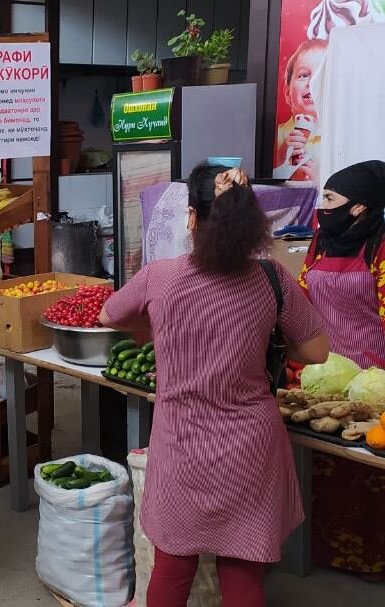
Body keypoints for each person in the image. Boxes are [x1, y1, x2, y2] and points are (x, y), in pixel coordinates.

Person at [100, 165, 330, 607]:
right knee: (242, 572)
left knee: (172, 567)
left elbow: (110, 314)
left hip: (181, 442)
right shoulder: (271, 278)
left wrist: (156, 323)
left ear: (191, 217)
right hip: (250, 443)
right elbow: (316, 351)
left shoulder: (161, 276)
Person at [299, 160, 385, 576]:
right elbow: (302, 293)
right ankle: (321, 552)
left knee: (367, 472)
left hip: (373, 376)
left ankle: (370, 560)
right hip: (323, 370)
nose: (322, 206)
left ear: (359, 207)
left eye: (330, 198)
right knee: (323, 464)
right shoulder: (322, 240)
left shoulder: (381, 245)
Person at [273, 39, 326, 182]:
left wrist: (320, 180)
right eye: (304, 75)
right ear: (287, 92)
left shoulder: (337, 138)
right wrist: (282, 153)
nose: (312, 83)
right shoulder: (277, 135)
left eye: (321, 76)